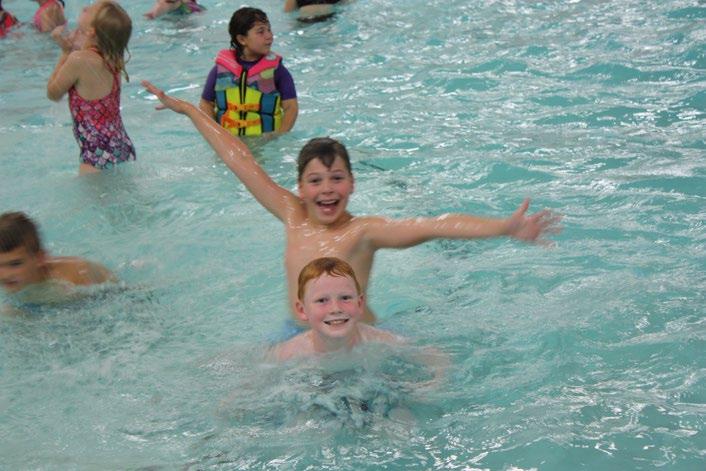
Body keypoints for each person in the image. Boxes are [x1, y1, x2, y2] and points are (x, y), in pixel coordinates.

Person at [142, 81, 561, 326]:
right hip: (301, 334)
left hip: (359, 340)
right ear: (300, 187)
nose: (327, 189)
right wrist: (191, 112)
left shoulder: (363, 232)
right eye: (316, 181)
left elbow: (435, 224)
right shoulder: (291, 214)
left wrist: (504, 227)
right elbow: (240, 159)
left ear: (352, 184)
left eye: (337, 178)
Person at [47, 1, 136, 174]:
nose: (84, 8)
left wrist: (65, 53)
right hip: (122, 147)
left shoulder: (78, 60)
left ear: (92, 31)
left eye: (89, 10)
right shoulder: (113, 59)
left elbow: (53, 93)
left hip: (95, 156)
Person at [271, 257, 401, 361]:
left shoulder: (384, 343)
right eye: (322, 300)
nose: (336, 308)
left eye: (345, 298)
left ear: (360, 303)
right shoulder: (287, 355)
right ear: (302, 310)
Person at [199, 7, 298, 136]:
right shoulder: (220, 70)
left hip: (266, 142)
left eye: (269, 30)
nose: (269, 36)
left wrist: (278, 136)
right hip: (229, 142)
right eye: (261, 32)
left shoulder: (277, 71)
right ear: (242, 39)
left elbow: (291, 107)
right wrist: (216, 134)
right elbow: (206, 103)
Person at [0, 212, 115, 306]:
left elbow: (113, 296)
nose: (5, 275)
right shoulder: (15, 283)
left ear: (40, 258)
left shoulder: (74, 276)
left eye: (15, 264)